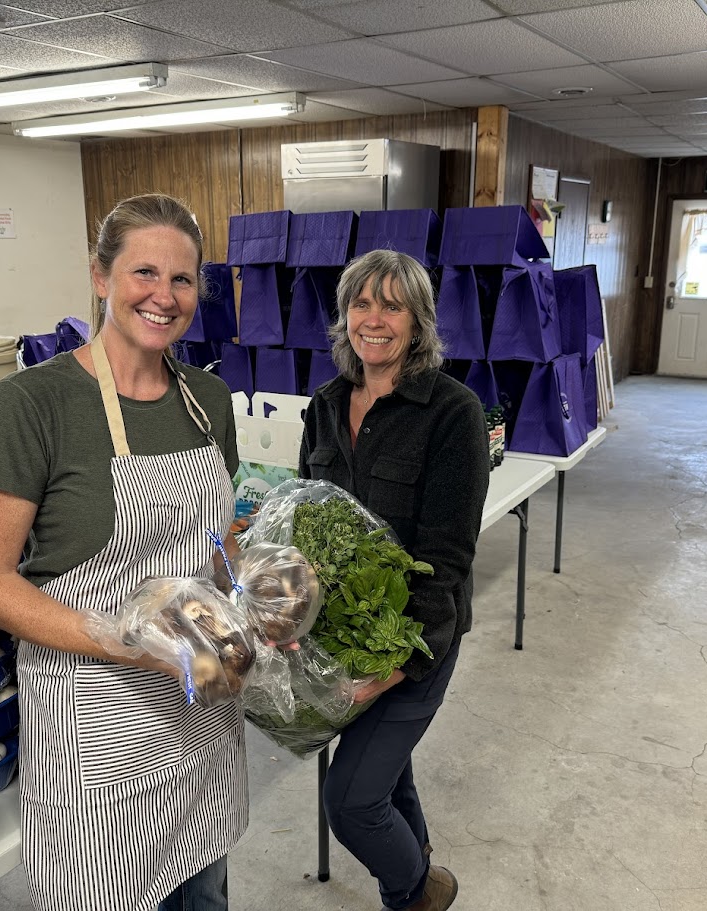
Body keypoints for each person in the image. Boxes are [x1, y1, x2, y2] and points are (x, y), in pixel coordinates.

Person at [0, 194, 245, 911]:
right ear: (100, 275)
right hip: (95, 717)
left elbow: (220, 538)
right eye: (143, 271)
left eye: (182, 279)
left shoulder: (207, 397)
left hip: (199, 707)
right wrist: (115, 637)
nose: (163, 295)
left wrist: (255, 604)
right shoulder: (35, 402)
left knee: (202, 889)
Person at [298, 249, 490, 911]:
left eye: (391, 304)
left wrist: (396, 666)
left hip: (415, 639)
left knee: (349, 801)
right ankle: (422, 864)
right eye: (360, 302)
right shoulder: (324, 405)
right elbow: (309, 523)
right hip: (343, 635)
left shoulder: (452, 412)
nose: (372, 319)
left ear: (417, 321)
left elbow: (446, 559)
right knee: (383, 772)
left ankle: (413, 893)